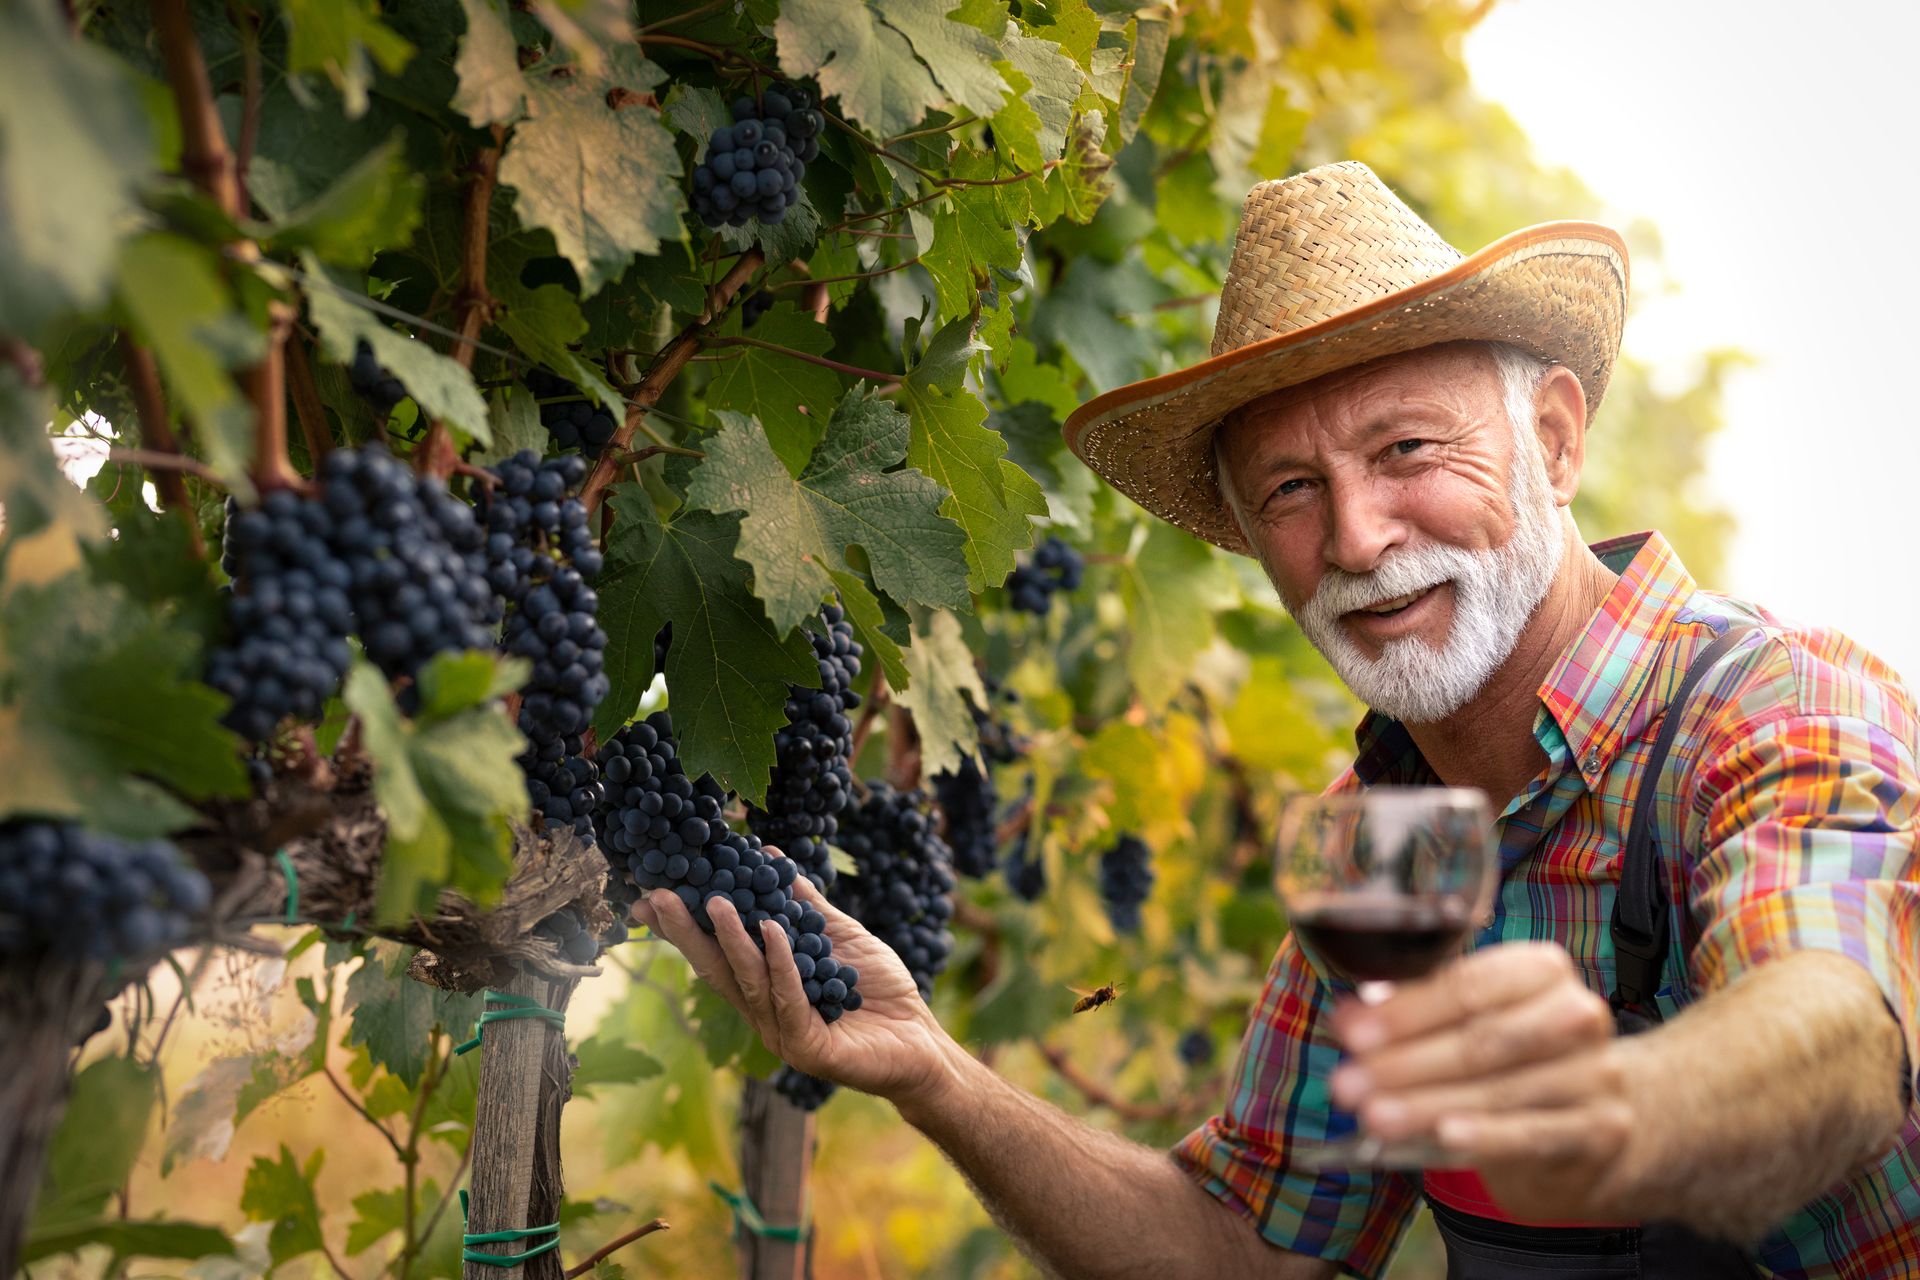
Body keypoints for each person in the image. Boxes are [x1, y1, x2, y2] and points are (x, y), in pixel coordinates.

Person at [633, 162, 1920, 1278]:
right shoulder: (1377, 843)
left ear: (1555, 438)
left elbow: (1842, 1035)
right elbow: (1244, 1246)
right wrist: (931, 1068)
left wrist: (1618, 1113)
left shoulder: (1775, 702)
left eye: (1412, 448)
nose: (1358, 537)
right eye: (1293, 490)